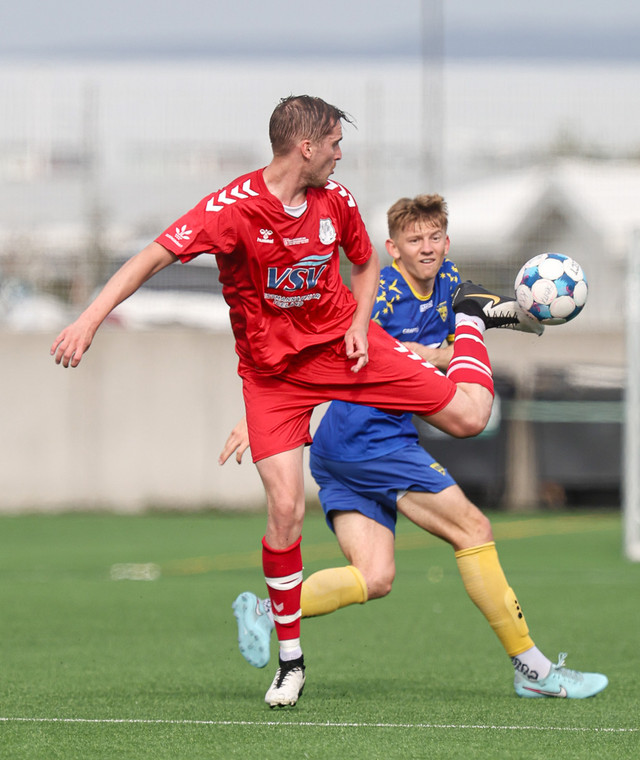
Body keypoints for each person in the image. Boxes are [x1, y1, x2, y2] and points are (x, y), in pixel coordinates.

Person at [51, 95, 541, 708]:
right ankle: (291, 662)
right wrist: (90, 318)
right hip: (274, 380)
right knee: (284, 509)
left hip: (347, 350)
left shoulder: (336, 200)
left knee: (469, 416)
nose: (341, 154)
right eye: (334, 143)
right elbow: (152, 257)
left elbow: (364, 264)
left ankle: (471, 318)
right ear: (306, 147)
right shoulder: (231, 210)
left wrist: (359, 323)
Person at [224, 194, 608, 700]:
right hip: (368, 439)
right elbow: (326, 350)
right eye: (414, 239)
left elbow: (487, 318)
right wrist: (261, 415)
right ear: (394, 249)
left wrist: (530, 313)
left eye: (434, 237)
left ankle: (266, 609)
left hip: (346, 448)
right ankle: (533, 670)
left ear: (447, 243)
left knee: (374, 576)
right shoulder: (379, 295)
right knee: (474, 528)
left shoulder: (451, 283)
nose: (426, 248)